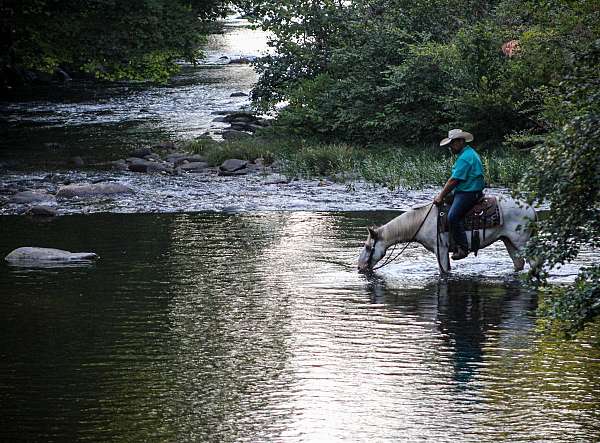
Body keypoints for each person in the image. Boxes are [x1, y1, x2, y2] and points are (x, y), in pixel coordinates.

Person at [433, 129, 485, 260]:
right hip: (467, 190)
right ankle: (452, 240)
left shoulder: (466, 158)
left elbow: (454, 180)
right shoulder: (467, 154)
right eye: (450, 144)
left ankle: (463, 247)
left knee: (452, 216)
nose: (451, 146)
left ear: (461, 141)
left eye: (453, 143)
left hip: (469, 192)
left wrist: (440, 196)